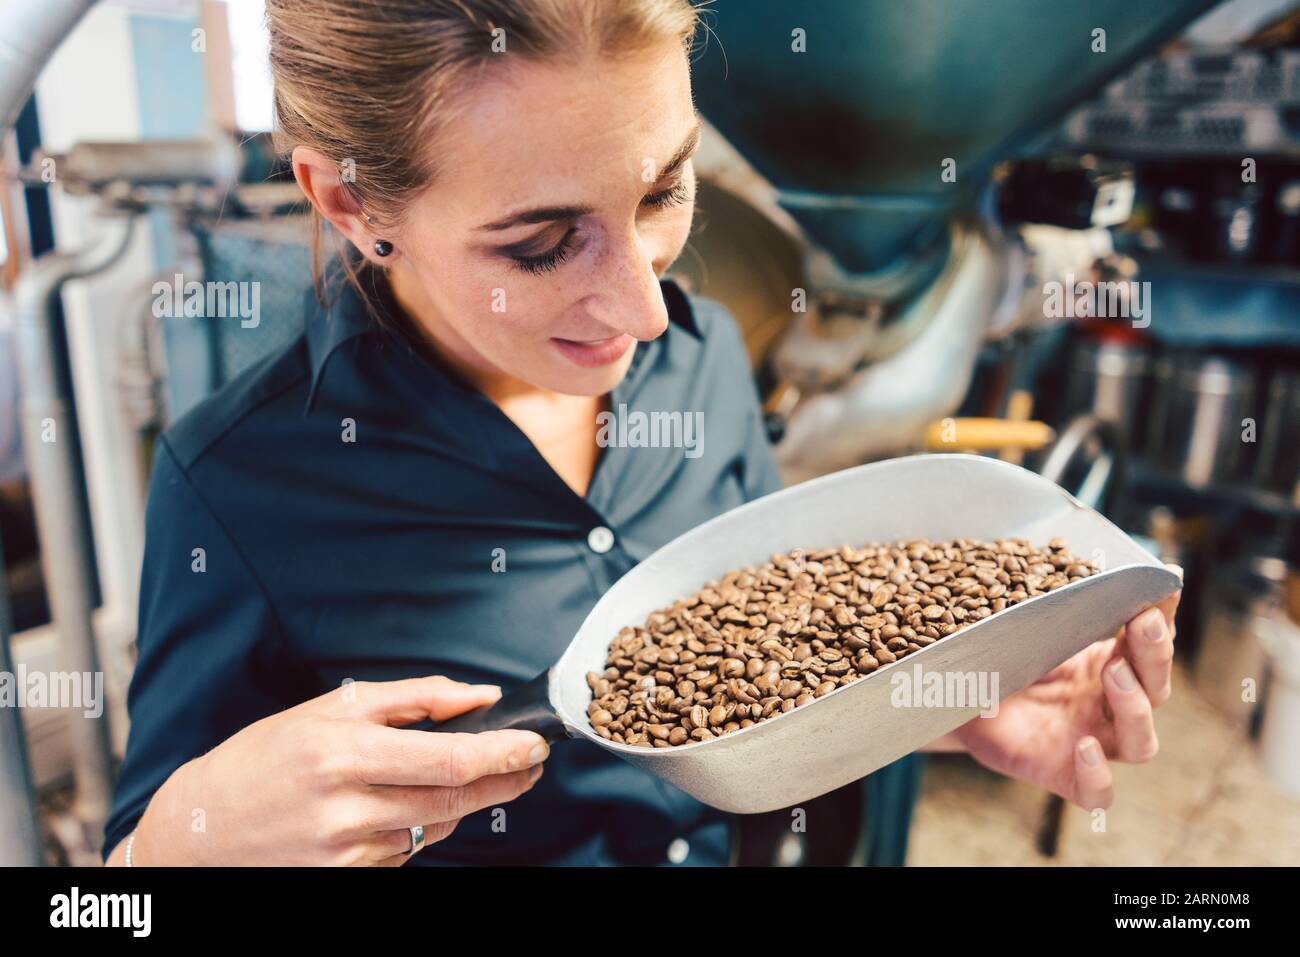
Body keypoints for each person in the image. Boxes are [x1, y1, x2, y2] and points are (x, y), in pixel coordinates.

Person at [102, 0, 1181, 866]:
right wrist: (174, 845)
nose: (646, 313)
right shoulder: (238, 484)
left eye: (665, 189)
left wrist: (943, 706)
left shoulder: (702, 357)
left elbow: (768, 660)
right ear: (348, 203)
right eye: (538, 246)